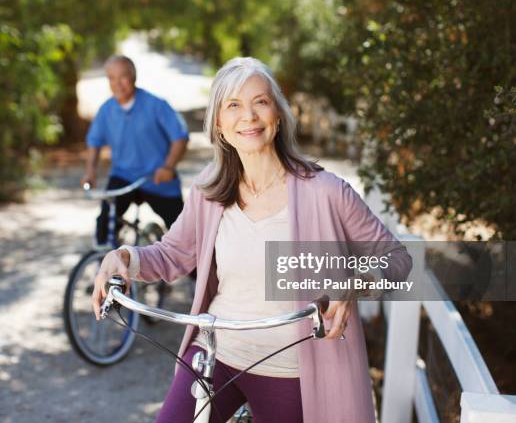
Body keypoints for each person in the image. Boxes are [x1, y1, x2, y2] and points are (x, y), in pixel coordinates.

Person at [92, 57, 412, 423]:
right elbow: (172, 254)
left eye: (260, 101)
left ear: (277, 115)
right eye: (233, 105)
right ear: (219, 124)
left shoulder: (326, 191)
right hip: (216, 353)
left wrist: (355, 283)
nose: (249, 116)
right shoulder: (209, 190)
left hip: (290, 367)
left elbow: (396, 258)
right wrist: (124, 257)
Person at [81, 55, 189, 244]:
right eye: (112, 78)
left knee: (185, 237)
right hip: (123, 177)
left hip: (157, 177)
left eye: (123, 77)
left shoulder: (156, 105)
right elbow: (94, 142)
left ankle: (200, 272)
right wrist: (90, 172)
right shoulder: (106, 110)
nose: (118, 83)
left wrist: (169, 167)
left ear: (134, 76)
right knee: (104, 226)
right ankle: (106, 268)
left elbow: (180, 137)